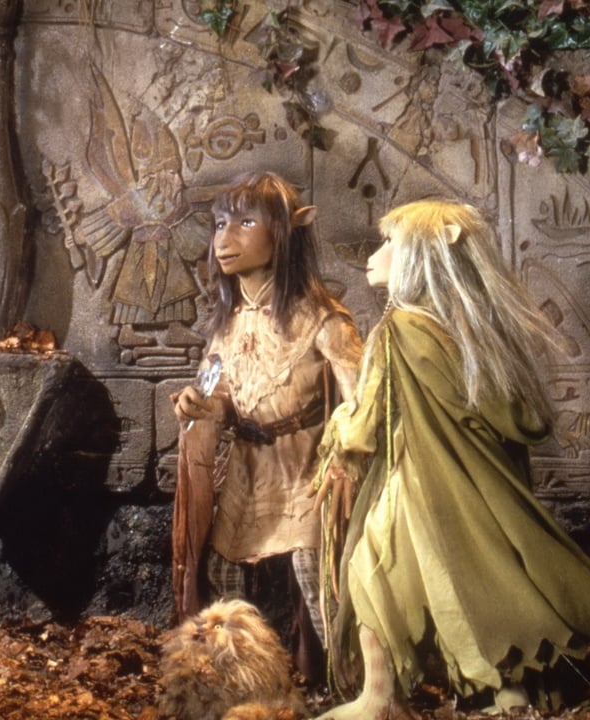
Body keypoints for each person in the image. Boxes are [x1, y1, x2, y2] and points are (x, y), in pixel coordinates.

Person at [310, 199, 590, 718]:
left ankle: (379, 697)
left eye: (390, 243)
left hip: (419, 488)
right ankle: (509, 696)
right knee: (485, 584)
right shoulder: (473, 332)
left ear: (420, 258)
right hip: (481, 495)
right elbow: (517, 421)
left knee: (370, 573)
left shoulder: (400, 330)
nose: (375, 254)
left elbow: (364, 425)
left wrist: (336, 434)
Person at [171, 171, 362, 680]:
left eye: (246, 223)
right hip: (249, 469)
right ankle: (239, 680)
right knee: (222, 572)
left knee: (315, 571)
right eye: (220, 224)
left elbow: (364, 400)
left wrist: (346, 460)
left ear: (284, 232)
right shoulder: (228, 322)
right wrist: (200, 406)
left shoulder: (323, 319)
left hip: (307, 468)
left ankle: (352, 685)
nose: (224, 238)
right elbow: (220, 395)